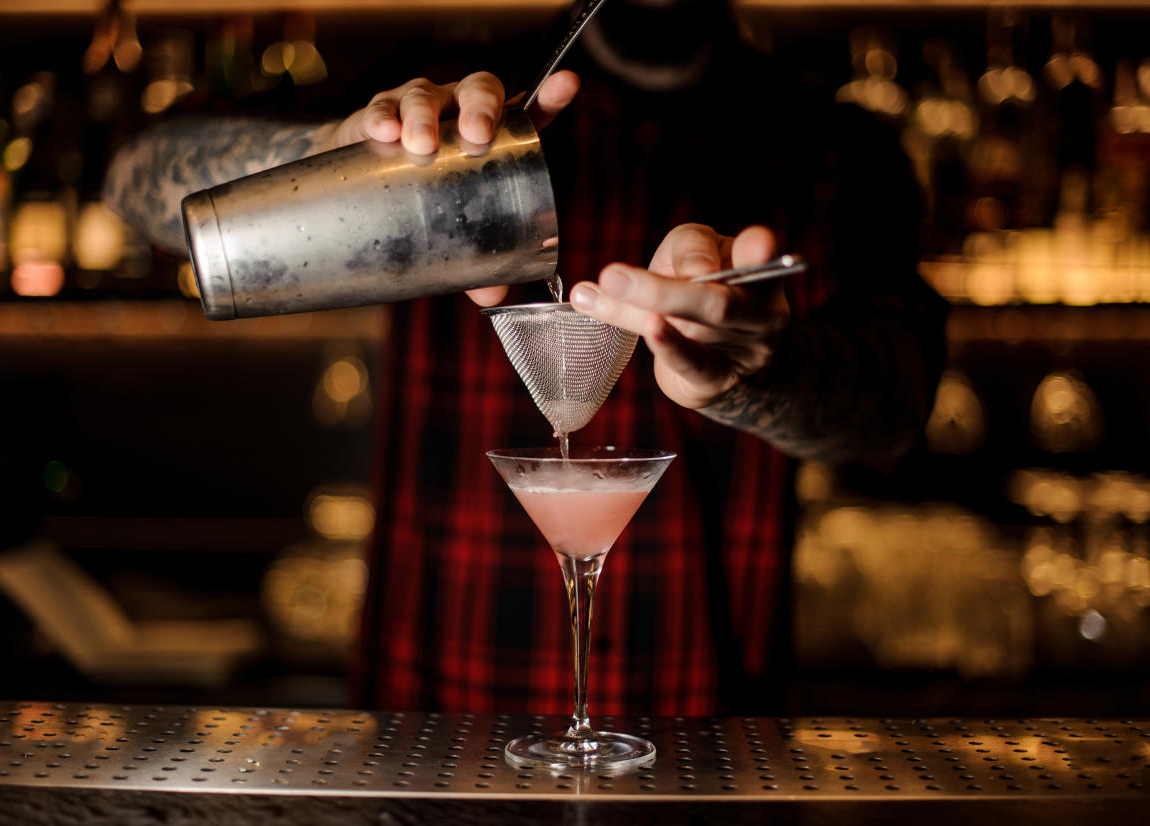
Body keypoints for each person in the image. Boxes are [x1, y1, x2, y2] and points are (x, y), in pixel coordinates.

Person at [105, 0, 946, 716]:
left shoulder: (832, 147)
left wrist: (761, 370)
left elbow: (894, 408)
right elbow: (137, 180)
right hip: (435, 725)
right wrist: (335, 156)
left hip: (705, 729)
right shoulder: (445, 96)